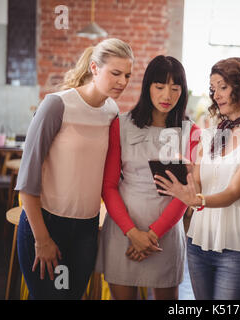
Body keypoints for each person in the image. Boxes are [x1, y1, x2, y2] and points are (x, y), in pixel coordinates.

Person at [15, 38, 134, 299]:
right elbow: (27, 179)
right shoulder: (57, 105)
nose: (123, 82)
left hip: (86, 229)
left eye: (127, 75)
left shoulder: (112, 110)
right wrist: (42, 239)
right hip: (46, 224)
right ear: (94, 68)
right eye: (115, 73)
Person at [155, 57, 240, 300]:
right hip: (198, 241)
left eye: (223, 87)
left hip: (237, 247)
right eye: (213, 89)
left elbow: (233, 193)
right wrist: (184, 169)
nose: (216, 95)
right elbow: (198, 180)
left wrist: (196, 200)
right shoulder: (210, 135)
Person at [96, 55, 200, 300]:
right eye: (160, 87)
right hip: (123, 232)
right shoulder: (120, 125)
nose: (167, 96)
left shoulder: (191, 132)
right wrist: (132, 233)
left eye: (175, 89)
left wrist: (152, 235)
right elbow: (109, 186)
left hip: (164, 236)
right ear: (148, 87)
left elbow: (188, 192)